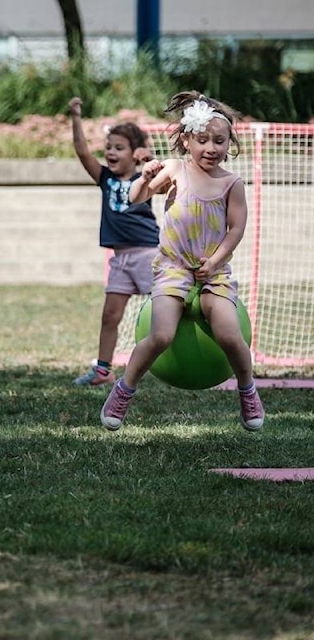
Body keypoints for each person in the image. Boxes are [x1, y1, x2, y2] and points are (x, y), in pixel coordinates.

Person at [101, 90, 264, 432]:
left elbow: (236, 229)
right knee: (160, 335)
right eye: (203, 140)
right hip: (172, 268)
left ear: (228, 143)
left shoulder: (231, 183)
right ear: (186, 141)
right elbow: (136, 198)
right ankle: (123, 391)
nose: (211, 148)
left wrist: (216, 261)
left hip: (213, 271)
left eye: (219, 141)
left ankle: (248, 391)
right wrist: (145, 178)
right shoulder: (175, 169)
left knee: (231, 335)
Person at [68, 97, 160, 386]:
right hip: (119, 259)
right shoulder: (105, 178)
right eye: (109, 147)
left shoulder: (144, 178)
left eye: (119, 148)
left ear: (134, 154)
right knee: (110, 315)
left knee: (163, 311)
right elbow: (83, 153)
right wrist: (76, 118)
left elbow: (161, 171)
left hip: (147, 254)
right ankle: (103, 370)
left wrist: (149, 157)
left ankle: (177, 359)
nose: (111, 152)